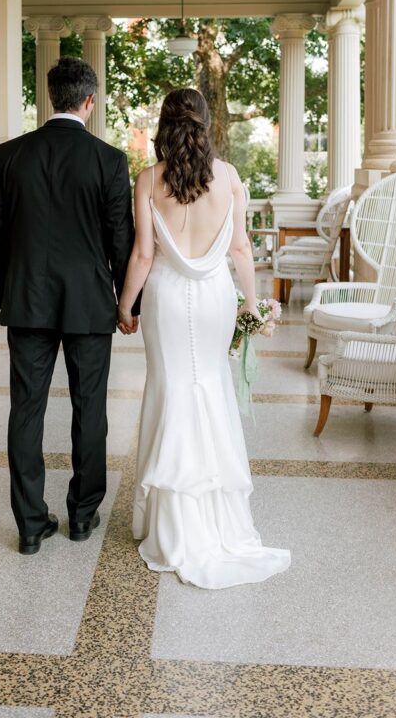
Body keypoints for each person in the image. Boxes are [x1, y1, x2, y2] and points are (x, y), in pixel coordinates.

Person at [117, 88, 291, 589]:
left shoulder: (149, 180)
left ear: (164, 126)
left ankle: (169, 523)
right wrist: (252, 304)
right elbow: (240, 249)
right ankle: (216, 518)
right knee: (210, 389)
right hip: (215, 295)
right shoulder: (230, 177)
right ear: (206, 122)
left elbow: (144, 257)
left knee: (170, 391)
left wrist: (125, 305)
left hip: (167, 298)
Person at [0, 57, 136, 555]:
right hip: (90, 303)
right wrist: (127, 302)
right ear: (89, 101)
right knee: (89, 408)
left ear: (50, 96)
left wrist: (2, 294)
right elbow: (122, 240)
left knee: (25, 410)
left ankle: (30, 525)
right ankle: (82, 514)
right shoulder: (109, 160)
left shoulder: (8, 155)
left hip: (27, 299)